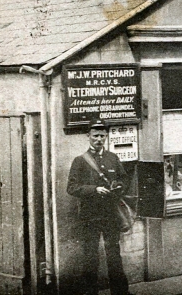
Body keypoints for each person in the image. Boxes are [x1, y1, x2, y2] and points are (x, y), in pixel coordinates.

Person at [67, 119, 132, 295]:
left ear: (106, 136)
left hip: (111, 214)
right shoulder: (80, 161)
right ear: (88, 136)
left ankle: (120, 293)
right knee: (90, 256)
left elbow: (124, 179)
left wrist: (118, 185)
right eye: (95, 136)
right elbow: (71, 188)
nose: (99, 139)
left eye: (102, 136)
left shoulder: (113, 158)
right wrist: (94, 189)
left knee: (114, 255)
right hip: (90, 215)